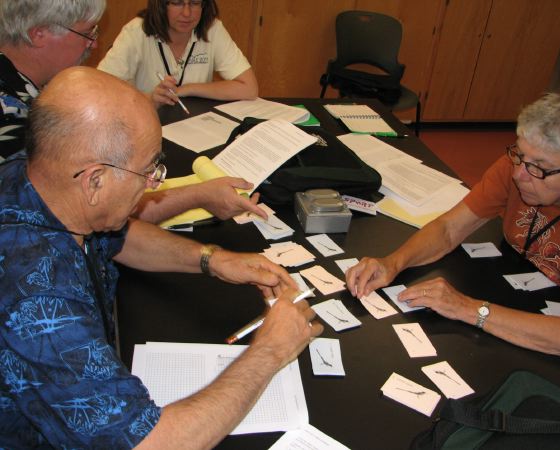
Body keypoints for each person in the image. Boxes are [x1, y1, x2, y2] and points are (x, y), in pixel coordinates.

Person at [0, 66, 322, 448]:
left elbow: (116, 237)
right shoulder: (36, 297)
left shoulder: (36, 176)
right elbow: (152, 444)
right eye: (150, 170)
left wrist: (212, 259)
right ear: (95, 181)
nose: (155, 183)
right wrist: (270, 351)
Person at [346, 90, 560, 360]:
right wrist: (393, 263)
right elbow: (449, 229)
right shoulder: (518, 167)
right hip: (517, 294)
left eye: (539, 167)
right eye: (520, 155)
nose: (518, 174)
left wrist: (466, 308)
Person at [0, 0, 267, 224]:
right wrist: (197, 196)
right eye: (87, 33)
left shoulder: (35, 91)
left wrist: (209, 259)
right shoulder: (13, 118)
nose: (93, 45)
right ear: (38, 34)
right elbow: (96, 216)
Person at [97, 0, 258, 110]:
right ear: (161, 4)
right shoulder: (136, 31)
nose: (187, 13)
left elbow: (249, 88)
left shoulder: (212, 29)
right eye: (177, 2)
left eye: (195, 2)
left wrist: (187, 89)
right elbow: (99, 91)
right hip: (144, 126)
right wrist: (150, 99)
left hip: (193, 128)